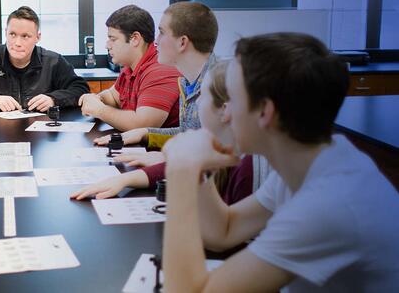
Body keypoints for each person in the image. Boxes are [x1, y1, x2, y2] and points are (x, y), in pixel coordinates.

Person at [162, 33, 399, 292]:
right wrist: (198, 172)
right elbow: (224, 231)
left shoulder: (329, 203)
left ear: (265, 111)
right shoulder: (308, 162)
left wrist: (181, 172)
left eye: (232, 97)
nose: (225, 110)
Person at [71, 61, 261, 204]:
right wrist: (126, 178)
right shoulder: (220, 149)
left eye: (204, 97)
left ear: (225, 109)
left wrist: (181, 166)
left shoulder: (245, 167)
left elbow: (218, 235)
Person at [0, 6, 89, 111]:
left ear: (37, 37)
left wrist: (54, 99)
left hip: (42, 136)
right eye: (12, 34)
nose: (17, 43)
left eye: (25, 36)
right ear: (6, 33)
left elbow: (81, 89)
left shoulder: (53, 61)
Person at [79, 4, 181, 131]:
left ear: (135, 39)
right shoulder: (130, 66)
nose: (107, 45)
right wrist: (97, 98)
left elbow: (143, 125)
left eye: (113, 39)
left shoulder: (160, 69)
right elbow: (113, 97)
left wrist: (99, 110)